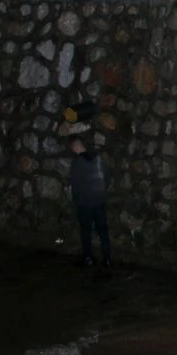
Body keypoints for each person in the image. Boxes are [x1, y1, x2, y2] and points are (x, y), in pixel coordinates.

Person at [66, 114, 111, 269]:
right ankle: (107, 258)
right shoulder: (98, 159)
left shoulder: (77, 164)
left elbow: (75, 184)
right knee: (102, 230)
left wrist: (76, 200)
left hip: (85, 202)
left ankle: (89, 257)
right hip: (99, 199)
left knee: (86, 232)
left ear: (75, 147)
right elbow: (106, 177)